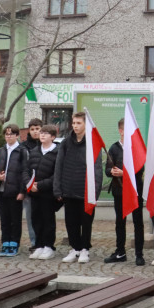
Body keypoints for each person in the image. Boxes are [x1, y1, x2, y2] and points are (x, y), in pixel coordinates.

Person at [54, 112, 103, 264]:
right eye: (74, 123)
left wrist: (95, 191)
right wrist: (58, 188)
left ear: (85, 125)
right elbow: (59, 166)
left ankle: (84, 250)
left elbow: (97, 170)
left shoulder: (92, 143)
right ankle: (75, 248)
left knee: (86, 222)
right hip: (69, 190)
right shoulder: (66, 143)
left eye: (78, 123)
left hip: (86, 192)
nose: (75, 126)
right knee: (71, 222)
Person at [104, 118, 146, 266]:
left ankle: (139, 254)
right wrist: (112, 171)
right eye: (126, 130)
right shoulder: (114, 148)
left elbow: (140, 168)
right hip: (119, 190)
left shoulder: (137, 147)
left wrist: (125, 174)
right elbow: (108, 169)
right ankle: (120, 251)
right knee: (120, 222)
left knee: (138, 222)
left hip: (134, 190)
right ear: (120, 131)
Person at [0, 124, 28, 257]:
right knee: (4, 219)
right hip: (2, 190)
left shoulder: (22, 151)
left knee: (15, 219)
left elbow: (25, 172)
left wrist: (22, 191)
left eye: (11, 134)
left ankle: (14, 243)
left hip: (15, 190)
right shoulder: (0, 151)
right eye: (6, 134)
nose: (8, 136)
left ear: (17, 135)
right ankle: (5, 242)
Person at [27, 123, 59, 259]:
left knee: (48, 220)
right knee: (36, 219)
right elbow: (26, 170)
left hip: (48, 193)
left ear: (52, 137)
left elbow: (57, 175)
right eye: (41, 133)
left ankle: (48, 246)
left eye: (45, 133)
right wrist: (29, 184)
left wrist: (40, 185)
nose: (42, 135)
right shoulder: (34, 151)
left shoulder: (57, 152)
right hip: (34, 193)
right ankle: (39, 245)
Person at [21, 119, 42, 249]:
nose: (35, 132)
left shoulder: (47, 145)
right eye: (32, 129)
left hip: (44, 187)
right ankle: (34, 242)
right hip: (29, 188)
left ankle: (44, 242)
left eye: (37, 129)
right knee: (30, 217)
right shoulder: (23, 147)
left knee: (44, 217)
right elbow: (23, 169)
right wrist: (26, 186)